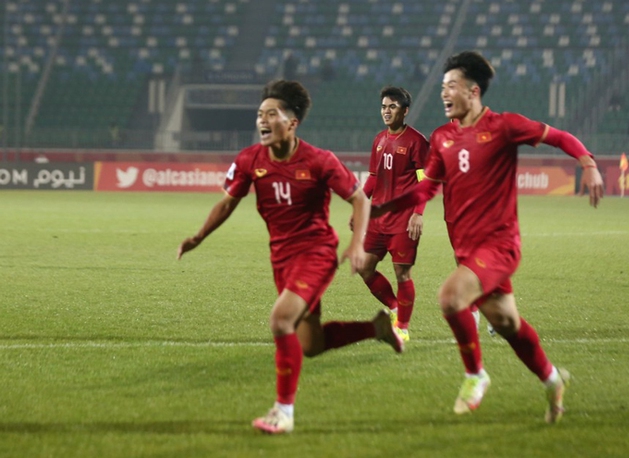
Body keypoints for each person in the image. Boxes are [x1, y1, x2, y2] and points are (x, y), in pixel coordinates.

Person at [371, 51, 604, 424]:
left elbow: (558, 136)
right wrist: (383, 208)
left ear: (473, 90)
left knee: (450, 296)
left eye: (452, 86)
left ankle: (475, 374)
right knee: (508, 323)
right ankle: (552, 379)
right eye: (443, 87)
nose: (445, 93)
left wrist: (588, 163)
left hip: (500, 245)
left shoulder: (504, 126)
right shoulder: (443, 136)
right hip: (467, 248)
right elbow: (426, 188)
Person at [177, 80, 404, 434]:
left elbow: (360, 199)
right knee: (310, 345)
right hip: (281, 259)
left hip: (316, 254)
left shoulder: (319, 160)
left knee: (280, 321)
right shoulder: (250, 160)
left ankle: (283, 412)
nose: (262, 121)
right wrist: (198, 236)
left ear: (292, 122)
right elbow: (227, 202)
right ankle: (376, 328)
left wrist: (357, 245)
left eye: (271, 114)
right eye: (259, 114)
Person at [353, 86, 429, 342]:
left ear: (405, 111)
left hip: (403, 220)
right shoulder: (379, 140)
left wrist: (418, 213)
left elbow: (424, 181)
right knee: (364, 267)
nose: (386, 111)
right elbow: (374, 177)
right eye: (384, 106)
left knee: (402, 274)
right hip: (378, 219)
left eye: (392, 107)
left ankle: (403, 328)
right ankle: (396, 308)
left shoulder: (416, 142)